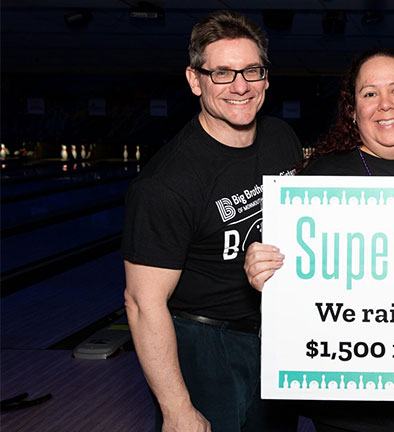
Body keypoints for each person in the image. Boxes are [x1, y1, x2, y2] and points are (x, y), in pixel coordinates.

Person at [244, 47, 394, 432]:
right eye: (369, 93)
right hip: (350, 413)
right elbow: (291, 284)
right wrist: (265, 271)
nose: (385, 105)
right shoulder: (322, 179)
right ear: (353, 110)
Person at [121, 10, 303, 432]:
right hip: (206, 345)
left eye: (251, 71)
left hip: (273, 337)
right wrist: (177, 408)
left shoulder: (281, 138)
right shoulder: (167, 182)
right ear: (194, 79)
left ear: (266, 77)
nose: (240, 86)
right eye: (222, 73)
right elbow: (142, 304)